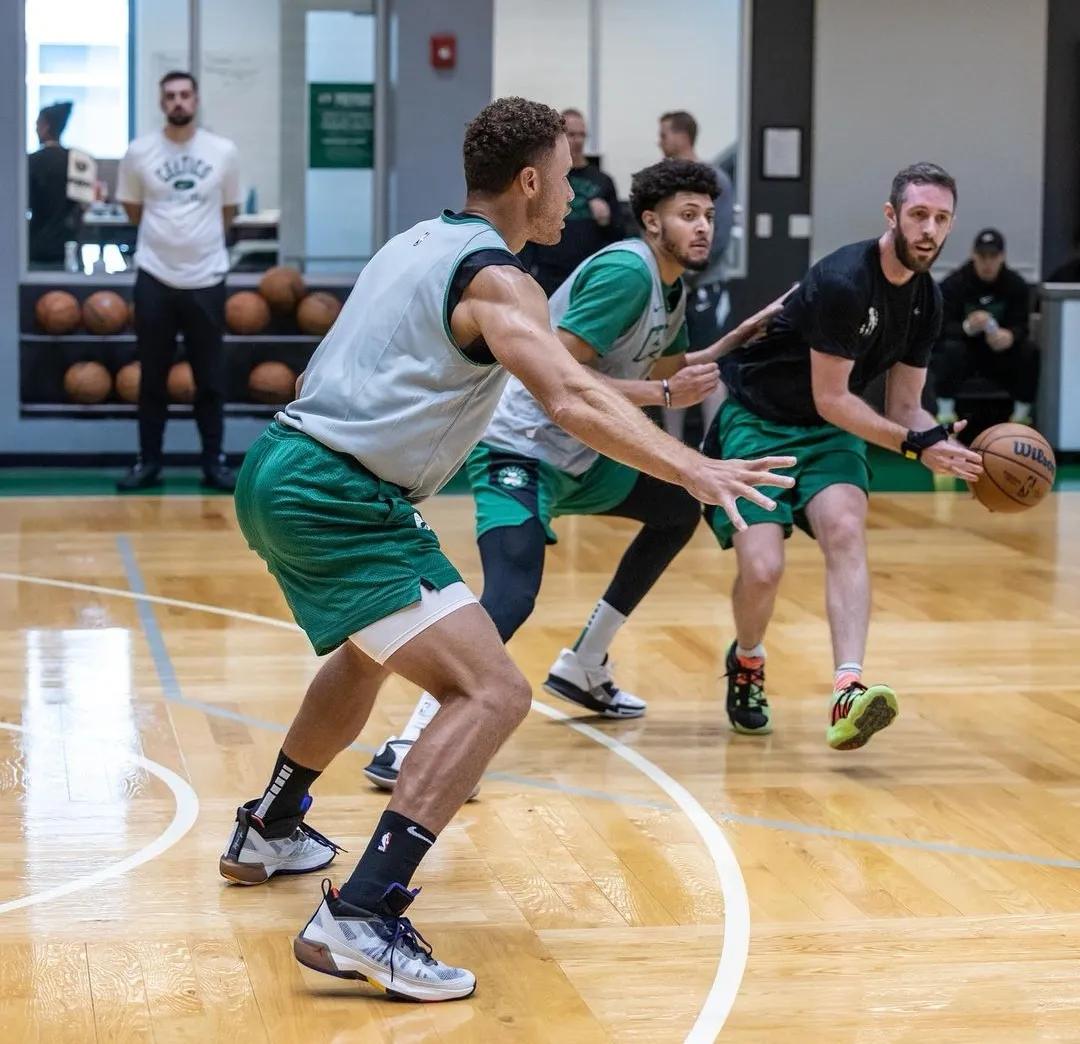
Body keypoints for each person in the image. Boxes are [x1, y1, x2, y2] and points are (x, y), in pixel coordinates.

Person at [218, 98, 794, 1002]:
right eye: (567, 177)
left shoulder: (417, 243)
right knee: (493, 690)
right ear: (531, 181)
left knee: (368, 654)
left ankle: (272, 824)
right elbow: (566, 398)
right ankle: (364, 916)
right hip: (339, 495)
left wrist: (649, 399)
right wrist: (692, 468)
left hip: (282, 464)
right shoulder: (500, 280)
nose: (574, 194)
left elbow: (339, 369)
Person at [364, 158, 780, 793]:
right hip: (520, 449)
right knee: (512, 592)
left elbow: (662, 364)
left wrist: (732, 342)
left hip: (580, 455)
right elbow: (564, 372)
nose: (703, 228)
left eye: (709, 216)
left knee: (672, 512)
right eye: (688, 215)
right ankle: (415, 737)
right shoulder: (625, 273)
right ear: (651, 221)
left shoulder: (671, 284)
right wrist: (665, 394)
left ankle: (586, 663)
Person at [705, 162, 983, 750]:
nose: (929, 230)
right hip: (759, 422)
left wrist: (948, 447)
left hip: (827, 435)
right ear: (892, 216)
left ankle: (848, 689)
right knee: (762, 569)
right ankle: (748, 660)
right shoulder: (843, 281)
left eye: (941, 218)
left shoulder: (926, 300)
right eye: (918, 216)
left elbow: (907, 406)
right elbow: (832, 399)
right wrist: (914, 447)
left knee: (845, 528)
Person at [115, 70, 241, 492]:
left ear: (196, 99)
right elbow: (133, 210)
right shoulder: (139, 152)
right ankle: (148, 462)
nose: (178, 102)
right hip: (154, 277)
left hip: (206, 277)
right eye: (170, 96)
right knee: (152, 378)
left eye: (185, 95)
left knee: (210, 380)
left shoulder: (223, 151)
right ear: (160, 102)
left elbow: (229, 212)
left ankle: (214, 463)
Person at [656, 110, 736, 444]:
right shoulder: (663, 180)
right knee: (669, 368)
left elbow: (716, 240)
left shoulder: (715, 179)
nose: (660, 141)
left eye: (664, 134)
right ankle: (670, 447)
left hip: (704, 289)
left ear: (681, 136)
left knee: (708, 368)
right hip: (669, 291)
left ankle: (711, 446)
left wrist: (683, 271)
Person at [931, 229, 1038, 425]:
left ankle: (1021, 417)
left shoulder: (1016, 285)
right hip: (965, 354)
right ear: (974, 255)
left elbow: (1022, 326)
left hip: (999, 355)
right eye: (982, 256)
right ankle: (944, 414)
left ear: (1002, 257)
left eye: (993, 256)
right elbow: (939, 328)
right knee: (948, 350)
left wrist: (1010, 336)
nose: (987, 263)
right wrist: (966, 327)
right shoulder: (954, 284)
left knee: (1029, 351)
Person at [517, 108, 622, 295]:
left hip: (588, 272)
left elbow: (619, 234)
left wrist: (606, 220)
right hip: (549, 272)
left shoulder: (603, 180)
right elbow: (530, 224)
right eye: (572, 135)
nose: (578, 141)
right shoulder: (546, 177)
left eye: (582, 135)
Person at [27, 102, 84, 267]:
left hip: (37, 246)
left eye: (37, 125)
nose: (36, 129)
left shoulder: (31, 161)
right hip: (70, 245)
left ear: (45, 126)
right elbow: (84, 205)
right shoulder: (78, 161)